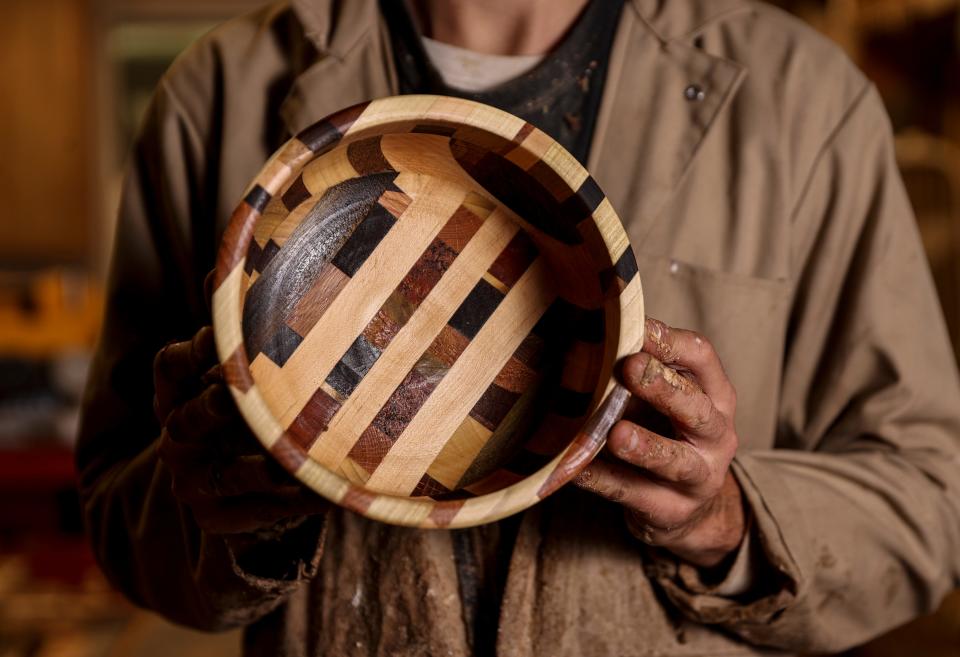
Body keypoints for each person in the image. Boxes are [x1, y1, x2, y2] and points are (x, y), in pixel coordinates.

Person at [76, 0, 960, 655]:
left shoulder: (801, 103)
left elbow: (932, 498)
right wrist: (233, 515)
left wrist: (726, 520)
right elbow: (119, 513)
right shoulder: (217, 91)